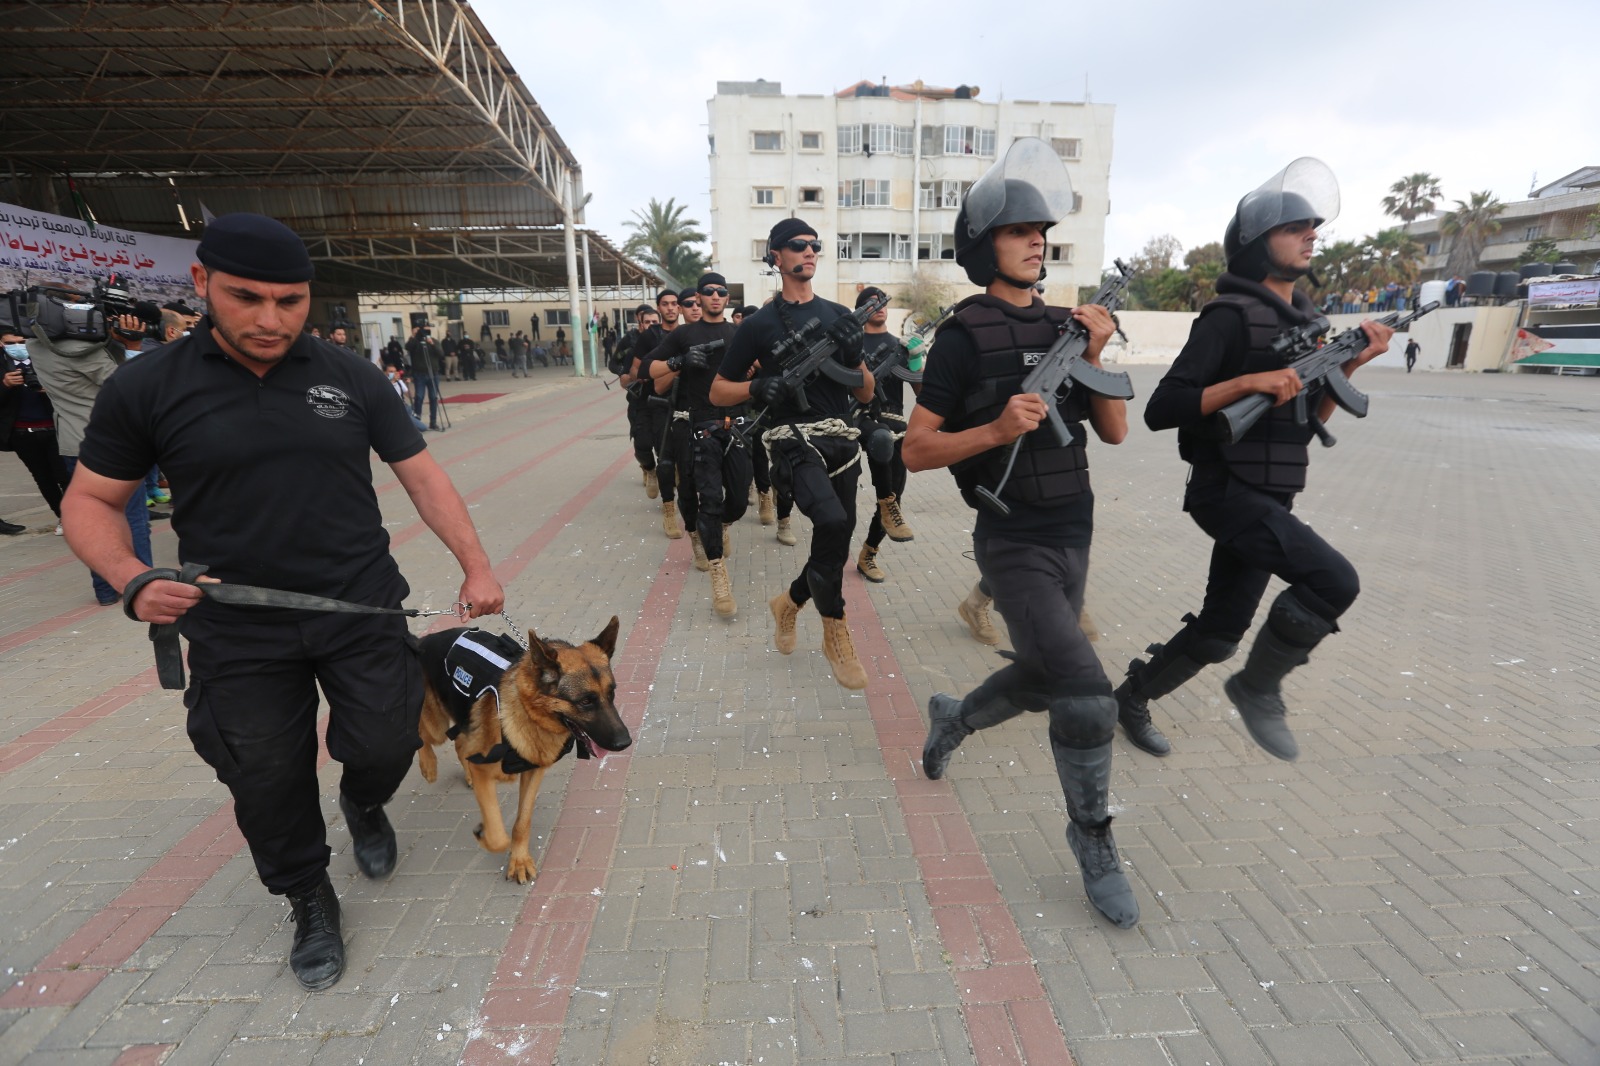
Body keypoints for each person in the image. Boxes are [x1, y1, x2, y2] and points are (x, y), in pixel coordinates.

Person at [61, 212, 504, 992]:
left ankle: (365, 805)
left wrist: (475, 564)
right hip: (236, 626)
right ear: (200, 285)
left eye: (290, 301)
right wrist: (132, 579)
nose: (271, 320)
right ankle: (308, 895)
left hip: (360, 609)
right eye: (248, 298)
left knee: (385, 741)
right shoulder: (148, 385)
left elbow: (423, 476)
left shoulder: (351, 374)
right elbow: (91, 500)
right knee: (263, 773)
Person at [902, 138, 1136, 928]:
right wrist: (997, 428)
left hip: (1075, 527)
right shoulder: (962, 335)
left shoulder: (1073, 323)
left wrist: (1096, 352)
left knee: (1044, 675)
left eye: (1041, 228)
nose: (1036, 238)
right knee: (1087, 698)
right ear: (983, 245)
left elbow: (1114, 435)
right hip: (1010, 539)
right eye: (1017, 229)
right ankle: (1093, 836)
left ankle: (954, 719)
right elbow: (915, 447)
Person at [1114, 158, 1391, 764]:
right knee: (1334, 580)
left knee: (1219, 632)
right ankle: (1257, 687)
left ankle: (1130, 697)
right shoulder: (1228, 318)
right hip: (1226, 490)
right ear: (1257, 241)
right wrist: (1247, 383)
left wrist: (1349, 366)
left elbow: (1308, 424)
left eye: (1314, 226)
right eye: (1296, 227)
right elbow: (1163, 408)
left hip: (1271, 492)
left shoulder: (1309, 327)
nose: (1311, 234)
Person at [710, 218, 877, 690]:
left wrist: (854, 353)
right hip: (790, 440)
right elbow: (720, 391)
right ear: (776, 257)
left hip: (839, 439)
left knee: (838, 537)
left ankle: (789, 602)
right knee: (829, 521)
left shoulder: (837, 314)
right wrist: (757, 386)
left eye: (815, 246)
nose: (809, 252)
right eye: (798, 246)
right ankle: (835, 628)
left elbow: (864, 394)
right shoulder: (759, 325)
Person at [28, 305, 154, 603]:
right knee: (132, 517)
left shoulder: (35, 345)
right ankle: (141, 585)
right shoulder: (82, 351)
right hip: (111, 445)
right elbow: (133, 383)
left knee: (95, 518)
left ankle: (105, 589)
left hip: (72, 442)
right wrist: (132, 345)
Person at [642, 273, 751, 616]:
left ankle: (722, 525)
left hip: (738, 425)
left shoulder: (739, 333)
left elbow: (763, 364)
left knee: (736, 500)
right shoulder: (685, 334)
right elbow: (649, 368)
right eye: (709, 292)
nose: (716, 296)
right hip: (699, 425)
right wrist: (679, 361)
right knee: (707, 498)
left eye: (722, 291)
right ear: (699, 298)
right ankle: (718, 573)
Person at [850, 286, 919, 584]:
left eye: (882, 303)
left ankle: (869, 554)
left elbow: (921, 392)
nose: (879, 307)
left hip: (894, 420)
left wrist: (916, 359)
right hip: (857, 418)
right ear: (860, 310)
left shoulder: (898, 345)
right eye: (870, 303)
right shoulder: (851, 344)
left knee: (894, 498)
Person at [2, 327, 71, 532]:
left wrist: (49, 388)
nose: (18, 347)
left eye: (22, 342)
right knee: (43, 478)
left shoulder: (45, 359)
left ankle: (75, 516)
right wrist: (4, 385)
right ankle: (63, 517)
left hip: (53, 428)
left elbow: (69, 386)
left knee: (65, 475)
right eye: (10, 343)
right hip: (21, 433)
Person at [634, 291, 684, 535]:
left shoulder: (689, 333)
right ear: (659, 308)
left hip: (688, 406)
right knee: (664, 459)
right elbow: (640, 371)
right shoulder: (650, 337)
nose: (671, 308)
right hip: (657, 404)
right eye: (666, 304)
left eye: (675, 304)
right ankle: (668, 510)